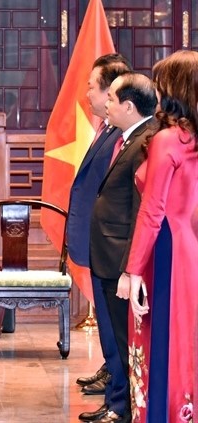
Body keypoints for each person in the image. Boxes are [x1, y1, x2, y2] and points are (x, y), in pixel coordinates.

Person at [120, 50, 198, 423]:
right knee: (185, 337)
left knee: (159, 338)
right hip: (190, 245)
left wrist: (134, 271)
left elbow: (152, 211)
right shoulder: (192, 138)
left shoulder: (169, 139)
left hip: (164, 247)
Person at [82, 71, 157, 423]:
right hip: (107, 255)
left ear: (128, 105)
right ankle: (117, 404)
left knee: (127, 341)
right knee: (114, 337)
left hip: (121, 259)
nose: (105, 104)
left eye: (110, 99)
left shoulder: (148, 141)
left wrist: (131, 267)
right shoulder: (126, 138)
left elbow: (142, 209)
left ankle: (126, 409)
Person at [67, 54, 132, 400]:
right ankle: (112, 374)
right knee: (108, 325)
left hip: (111, 246)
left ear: (111, 92)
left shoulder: (124, 136)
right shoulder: (107, 130)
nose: (87, 94)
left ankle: (118, 388)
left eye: (92, 87)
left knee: (114, 325)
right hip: (96, 242)